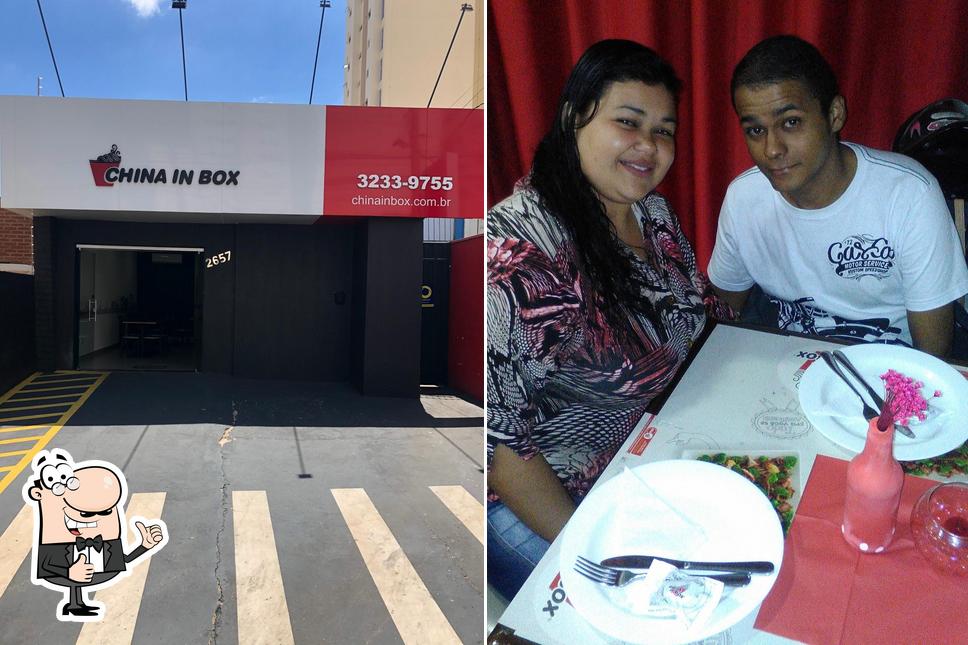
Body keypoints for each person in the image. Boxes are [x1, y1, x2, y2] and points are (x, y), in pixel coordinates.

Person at [486, 39, 731, 600]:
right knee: (660, 615)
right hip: (542, 503)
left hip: (640, 460)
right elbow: (502, 452)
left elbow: (693, 316)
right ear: (576, 117)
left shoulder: (653, 213)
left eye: (664, 129)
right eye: (629, 121)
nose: (649, 145)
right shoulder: (521, 254)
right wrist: (593, 554)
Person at [708, 35, 968, 357]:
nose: (772, 149)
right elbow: (720, 318)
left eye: (791, 123)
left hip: (890, 369)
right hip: (785, 365)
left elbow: (932, 358)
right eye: (756, 130)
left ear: (834, 114)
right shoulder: (743, 199)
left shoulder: (909, 195)